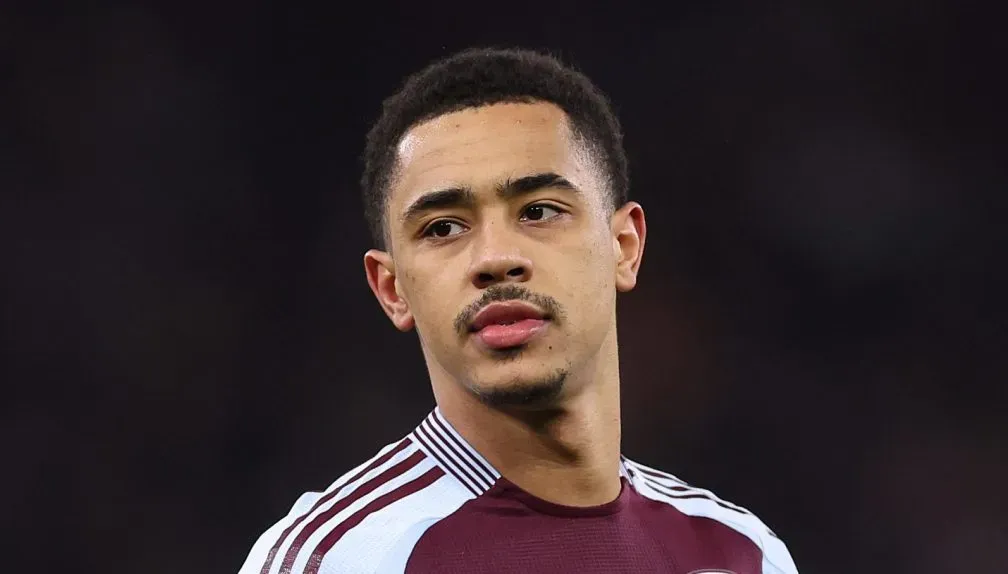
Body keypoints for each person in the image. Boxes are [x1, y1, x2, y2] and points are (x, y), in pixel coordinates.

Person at [238, 47, 798, 574]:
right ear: (392, 289)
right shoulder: (343, 558)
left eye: (539, 211)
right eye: (443, 227)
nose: (496, 259)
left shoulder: (743, 552)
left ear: (624, 247)